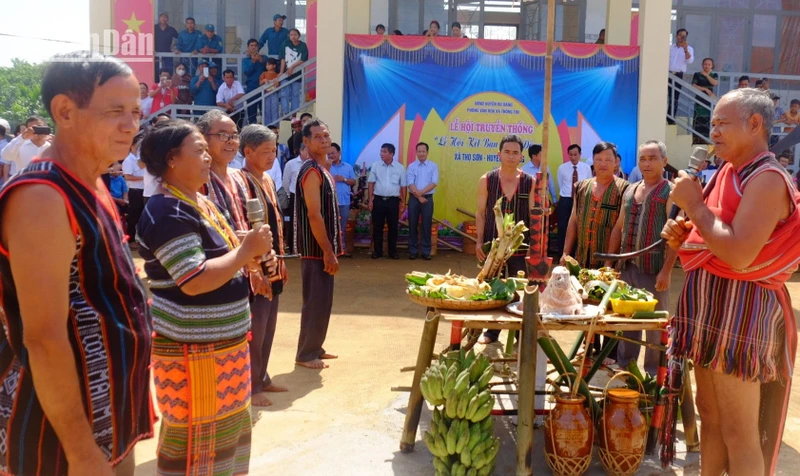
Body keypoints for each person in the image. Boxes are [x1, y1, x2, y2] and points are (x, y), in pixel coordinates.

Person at [0, 51, 153, 475]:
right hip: (61, 434)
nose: (130, 125)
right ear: (65, 111)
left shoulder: (90, 182)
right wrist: (82, 452)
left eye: (136, 112)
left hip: (108, 416)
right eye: (115, 112)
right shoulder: (43, 198)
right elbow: (44, 338)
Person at [661, 88, 800, 476]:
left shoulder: (768, 178)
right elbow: (713, 234)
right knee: (711, 417)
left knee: (740, 431)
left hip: (742, 311)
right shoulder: (728, 173)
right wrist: (686, 233)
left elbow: (739, 254)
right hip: (710, 307)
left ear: (755, 125)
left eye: (723, 123)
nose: (714, 132)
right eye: (713, 123)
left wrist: (695, 206)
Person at [138, 119, 272, 475]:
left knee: (225, 437)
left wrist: (246, 249)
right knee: (196, 445)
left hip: (221, 348)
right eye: (198, 150)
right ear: (171, 159)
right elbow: (193, 279)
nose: (207, 158)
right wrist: (245, 253)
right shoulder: (166, 210)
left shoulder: (198, 200)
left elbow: (220, 255)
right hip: (192, 353)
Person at [605, 140, 676, 376]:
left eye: (652, 158)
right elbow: (618, 227)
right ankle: (626, 365)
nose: (646, 163)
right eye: (643, 158)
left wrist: (666, 270)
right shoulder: (630, 189)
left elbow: (677, 234)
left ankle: (654, 371)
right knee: (627, 319)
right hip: (627, 267)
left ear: (664, 162)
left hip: (653, 269)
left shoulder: (671, 192)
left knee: (654, 323)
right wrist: (610, 262)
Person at [234, 124, 289, 407]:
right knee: (256, 326)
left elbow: (276, 221)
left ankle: (262, 375)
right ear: (248, 152)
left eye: (274, 150)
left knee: (269, 326)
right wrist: (257, 269)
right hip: (257, 266)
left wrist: (280, 260)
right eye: (266, 151)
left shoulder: (267, 179)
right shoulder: (241, 182)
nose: (272, 156)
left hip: (273, 262)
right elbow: (247, 226)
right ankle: (251, 385)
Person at [562, 142, 630, 358]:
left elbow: (620, 227)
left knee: (608, 306)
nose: (603, 164)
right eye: (598, 159)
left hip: (608, 261)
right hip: (583, 256)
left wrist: (609, 263)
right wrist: (566, 253)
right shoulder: (581, 187)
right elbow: (573, 220)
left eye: (608, 160)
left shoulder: (624, 189)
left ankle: (608, 354)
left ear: (616, 162)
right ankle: (588, 346)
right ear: (592, 161)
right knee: (584, 303)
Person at [475, 135, 533, 344]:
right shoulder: (487, 179)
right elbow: (481, 213)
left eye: (515, 152)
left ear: (521, 156)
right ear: (499, 154)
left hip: (520, 245)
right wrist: (479, 241)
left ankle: (519, 333)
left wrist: (534, 247)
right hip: (493, 244)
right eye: (507, 152)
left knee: (519, 288)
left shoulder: (529, 182)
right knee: (491, 287)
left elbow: (534, 216)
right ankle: (491, 331)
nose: (511, 156)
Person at [294, 119, 342, 369]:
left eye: (326, 136)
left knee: (323, 300)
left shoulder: (322, 169)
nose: (324, 140)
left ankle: (315, 347)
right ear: (306, 141)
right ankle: (306, 354)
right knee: (315, 301)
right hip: (315, 250)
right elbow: (314, 215)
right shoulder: (311, 171)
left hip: (321, 249)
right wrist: (327, 251)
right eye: (318, 137)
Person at [368, 143, 407, 259]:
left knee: (393, 227)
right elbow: (371, 183)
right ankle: (378, 252)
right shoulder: (376, 166)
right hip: (378, 200)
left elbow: (403, 186)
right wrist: (370, 200)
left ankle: (393, 252)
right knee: (377, 227)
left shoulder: (400, 168)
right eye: (381, 151)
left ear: (392, 154)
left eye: (384, 151)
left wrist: (403, 202)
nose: (381, 154)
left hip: (393, 201)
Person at [554, 144, 592, 255]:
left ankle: (576, 254)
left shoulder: (586, 168)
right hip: (565, 200)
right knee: (562, 227)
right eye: (571, 155)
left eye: (575, 154)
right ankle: (562, 254)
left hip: (581, 200)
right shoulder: (562, 168)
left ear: (580, 155)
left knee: (579, 227)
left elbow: (589, 184)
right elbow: (560, 184)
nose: (573, 157)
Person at [406, 141, 438, 260]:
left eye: (423, 151)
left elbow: (434, 182)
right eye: (419, 151)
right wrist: (419, 196)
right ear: (416, 152)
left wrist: (421, 193)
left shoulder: (433, 166)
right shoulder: (411, 166)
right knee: (412, 225)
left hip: (428, 200)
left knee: (426, 225)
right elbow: (410, 182)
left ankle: (426, 252)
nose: (421, 154)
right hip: (414, 199)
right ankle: (413, 251)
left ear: (427, 152)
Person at [329, 142, 356, 256]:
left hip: (344, 201)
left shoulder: (348, 167)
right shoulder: (325, 166)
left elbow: (353, 181)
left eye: (333, 153)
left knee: (342, 226)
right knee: (330, 226)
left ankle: (342, 249)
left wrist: (343, 179)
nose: (331, 155)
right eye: (329, 153)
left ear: (339, 153)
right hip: (330, 201)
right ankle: (331, 250)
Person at [283, 142, 310, 252]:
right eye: (307, 151)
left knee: (308, 221)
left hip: (309, 196)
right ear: (301, 150)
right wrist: (290, 195)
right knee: (294, 222)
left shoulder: (313, 163)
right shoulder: (291, 164)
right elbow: (286, 181)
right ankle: (293, 248)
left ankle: (305, 247)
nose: (309, 154)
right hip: (295, 196)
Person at [279, 29, 309, 115]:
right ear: (289, 36)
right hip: (286, 74)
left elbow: (303, 59)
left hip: (297, 74)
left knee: (295, 95)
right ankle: (285, 113)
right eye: (291, 35)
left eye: (295, 34)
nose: (293, 36)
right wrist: (281, 72)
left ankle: (294, 113)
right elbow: (283, 58)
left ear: (299, 36)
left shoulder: (303, 45)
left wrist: (292, 67)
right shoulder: (285, 44)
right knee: (284, 93)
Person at [122, 133, 145, 247]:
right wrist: (143, 178)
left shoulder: (140, 159)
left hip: (142, 190)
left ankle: (138, 240)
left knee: (141, 216)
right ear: (132, 146)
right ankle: (130, 240)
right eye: (137, 145)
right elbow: (127, 176)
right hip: (135, 191)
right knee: (133, 216)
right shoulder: (128, 160)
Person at [668, 28, 694, 125]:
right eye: (680, 35)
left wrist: (685, 49)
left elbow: (689, 61)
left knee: (674, 96)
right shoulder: (670, 48)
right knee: (666, 95)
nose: (681, 37)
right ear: (676, 36)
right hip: (668, 73)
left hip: (678, 75)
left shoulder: (689, 49)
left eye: (684, 36)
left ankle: (670, 117)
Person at [691, 58, 718, 141]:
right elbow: (694, 85)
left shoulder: (714, 75)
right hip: (700, 99)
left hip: (709, 100)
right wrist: (704, 89)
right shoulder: (697, 74)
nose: (706, 66)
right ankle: (696, 139)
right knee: (699, 118)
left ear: (712, 66)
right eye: (705, 64)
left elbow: (715, 83)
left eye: (709, 64)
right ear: (702, 65)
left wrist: (706, 75)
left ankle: (706, 139)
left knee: (708, 118)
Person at [260, 58, 281, 125]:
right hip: (266, 93)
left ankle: (275, 125)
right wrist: (264, 80)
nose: (267, 66)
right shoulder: (264, 73)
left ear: (274, 66)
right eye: (266, 65)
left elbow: (278, 85)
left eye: (269, 65)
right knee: (267, 110)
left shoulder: (277, 75)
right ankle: (267, 125)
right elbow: (260, 82)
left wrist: (277, 83)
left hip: (274, 93)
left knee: (274, 109)